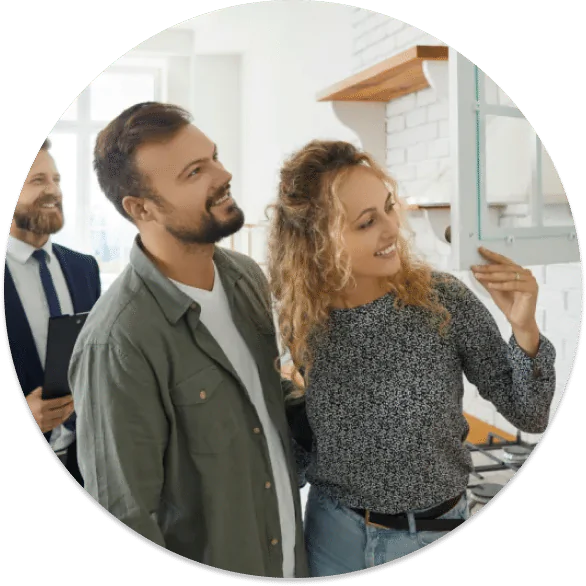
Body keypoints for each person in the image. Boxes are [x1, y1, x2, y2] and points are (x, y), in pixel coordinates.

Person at [266, 140, 556, 577]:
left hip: (434, 531)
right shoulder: (300, 317)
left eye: (388, 208)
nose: (390, 229)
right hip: (333, 536)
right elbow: (307, 434)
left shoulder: (442, 301)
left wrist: (524, 329)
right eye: (366, 223)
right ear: (315, 243)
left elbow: (531, 415)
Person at [68, 102, 308, 578]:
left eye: (214, 157)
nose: (223, 174)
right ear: (141, 208)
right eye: (196, 171)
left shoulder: (243, 277)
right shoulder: (117, 342)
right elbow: (125, 516)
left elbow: (260, 402)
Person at [4, 139, 101, 485]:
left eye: (56, 180)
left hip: (85, 465)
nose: (53, 191)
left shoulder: (84, 269)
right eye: (38, 181)